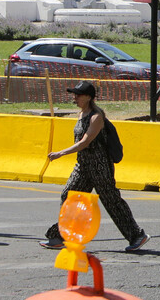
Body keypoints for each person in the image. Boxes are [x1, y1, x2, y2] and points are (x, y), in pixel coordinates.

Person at [41, 81, 148, 251]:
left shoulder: (96, 117)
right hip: (83, 166)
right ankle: (62, 236)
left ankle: (136, 235)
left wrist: (60, 153)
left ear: (89, 97)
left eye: (78, 95)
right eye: (74, 94)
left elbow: (85, 142)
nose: (74, 97)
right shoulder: (81, 114)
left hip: (100, 167)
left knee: (111, 201)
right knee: (69, 196)